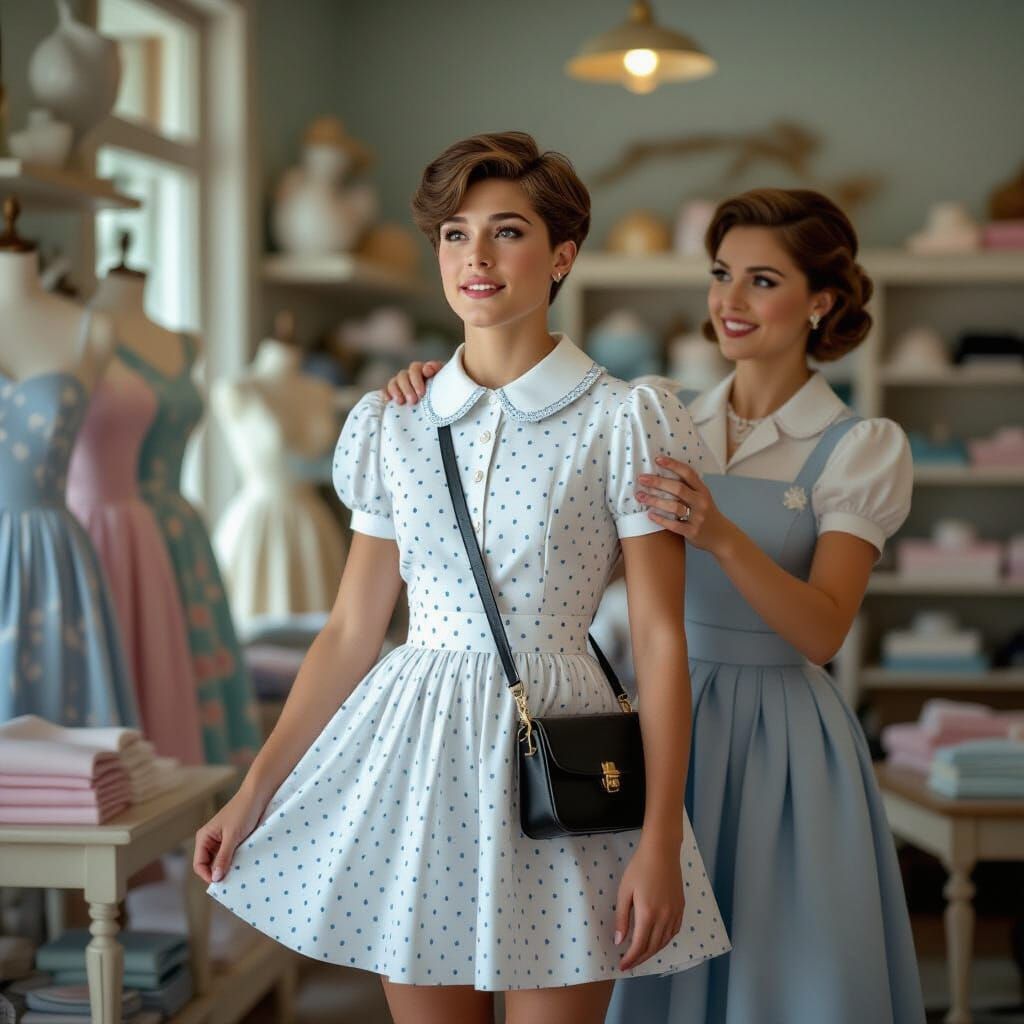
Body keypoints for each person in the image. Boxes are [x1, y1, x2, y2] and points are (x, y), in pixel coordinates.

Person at [194, 131, 728, 1024]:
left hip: (563, 752)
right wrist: (253, 792)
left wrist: (662, 836)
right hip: (416, 758)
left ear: (561, 255)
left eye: (507, 231)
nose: (474, 256)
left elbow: (664, 640)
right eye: (453, 233)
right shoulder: (392, 423)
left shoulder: (628, 417)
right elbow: (351, 631)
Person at [384, 187, 926, 1023]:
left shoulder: (860, 447)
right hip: (640, 726)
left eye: (762, 281)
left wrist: (721, 534)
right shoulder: (656, 412)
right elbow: (563, 556)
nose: (730, 302)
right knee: (635, 971)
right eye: (720, 275)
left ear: (821, 301)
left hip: (781, 741)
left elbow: (822, 630)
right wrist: (448, 386)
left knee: (785, 975)